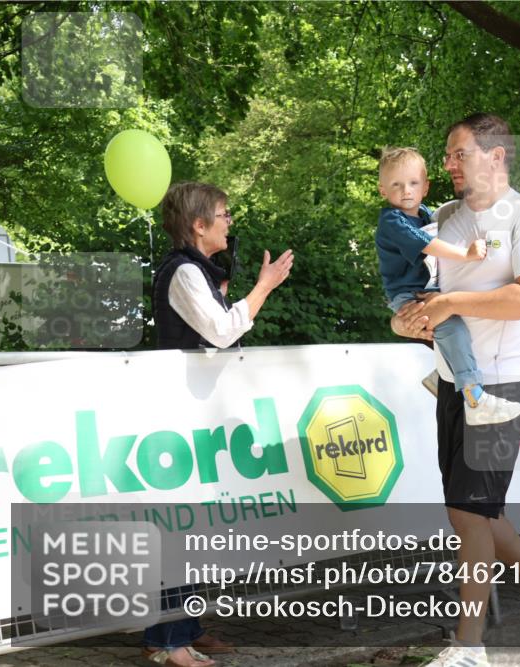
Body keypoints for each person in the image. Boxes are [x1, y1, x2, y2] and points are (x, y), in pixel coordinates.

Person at [393, 114, 520, 666]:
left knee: (469, 515)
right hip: (452, 382)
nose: (448, 164)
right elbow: (420, 295)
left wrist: (451, 303)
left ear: (495, 155)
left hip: (505, 383)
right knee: (473, 510)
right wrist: (407, 320)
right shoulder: (443, 218)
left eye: (460, 153)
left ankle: (468, 647)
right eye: (448, 155)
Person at [146, 181, 293, 666]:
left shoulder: (193, 270)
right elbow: (224, 331)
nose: (230, 222)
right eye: (224, 214)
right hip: (179, 414)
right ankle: (169, 642)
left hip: (193, 413)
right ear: (198, 224)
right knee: (178, 525)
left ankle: (181, 628)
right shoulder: (185, 271)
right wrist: (264, 286)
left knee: (190, 524)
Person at [375, 146, 520, 425]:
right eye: (396, 185)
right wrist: (466, 254)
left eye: (413, 183)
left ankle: (443, 374)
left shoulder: (426, 214)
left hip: (431, 291)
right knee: (451, 326)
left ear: (425, 187)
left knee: (461, 322)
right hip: (411, 294)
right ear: (383, 190)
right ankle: (475, 398)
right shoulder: (393, 221)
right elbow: (427, 245)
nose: (406, 190)